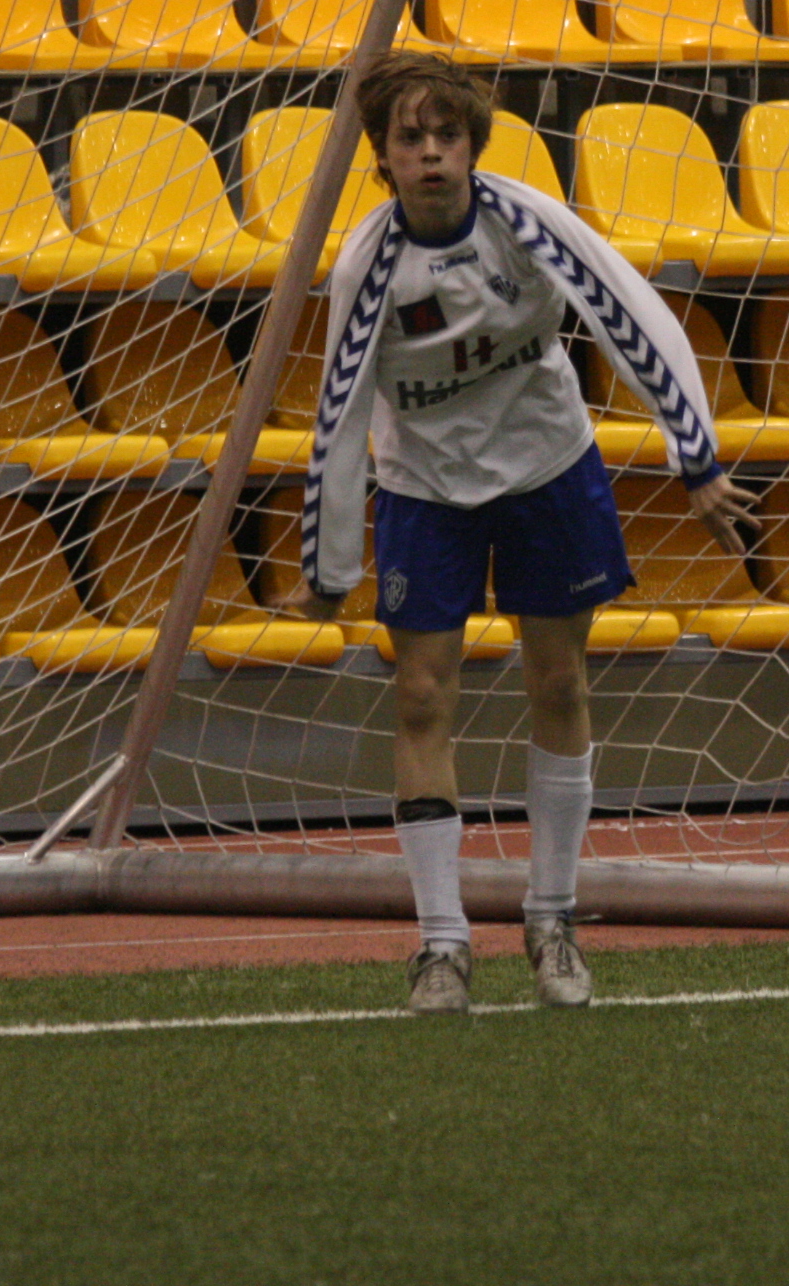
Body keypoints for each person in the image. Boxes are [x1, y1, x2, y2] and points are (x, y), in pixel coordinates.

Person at [280, 51, 756, 1015]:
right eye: (410, 138)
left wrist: (697, 459)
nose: (430, 153)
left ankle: (552, 921)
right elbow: (339, 412)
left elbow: (634, 317)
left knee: (559, 682)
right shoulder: (368, 267)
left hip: (547, 469)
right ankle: (441, 944)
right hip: (425, 489)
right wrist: (329, 568)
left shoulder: (528, 223)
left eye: (446, 135)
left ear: (472, 146)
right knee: (421, 696)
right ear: (382, 157)